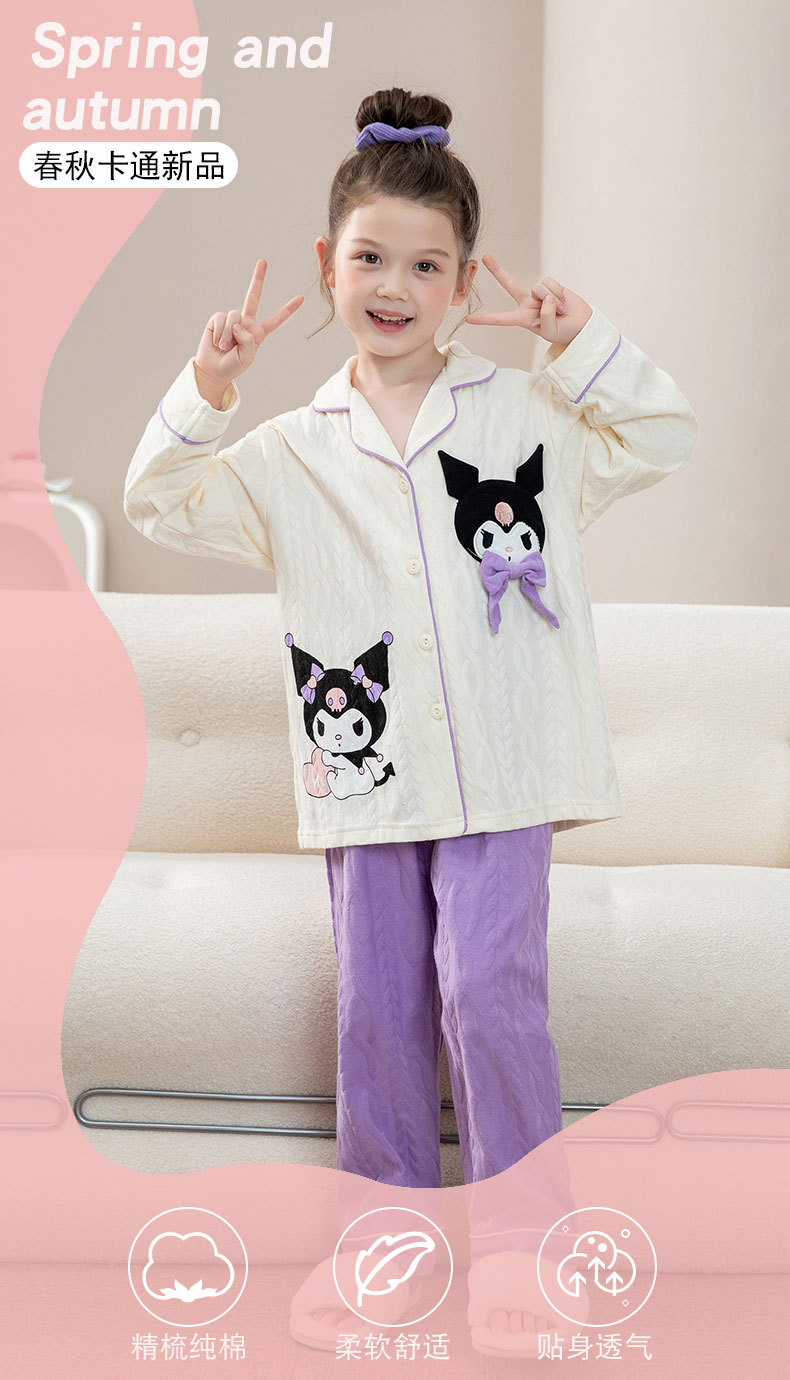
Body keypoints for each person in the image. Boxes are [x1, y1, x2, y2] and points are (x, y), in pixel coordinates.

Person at [124, 86, 698, 1349]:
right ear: (327, 264)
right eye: (371, 258)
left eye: (427, 265)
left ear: (464, 281)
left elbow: (665, 432)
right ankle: (388, 1253)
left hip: (504, 767)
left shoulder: (532, 418)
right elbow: (157, 497)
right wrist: (212, 382)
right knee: (378, 1015)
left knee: (489, 994)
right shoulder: (290, 451)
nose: (395, 286)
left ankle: (523, 1253)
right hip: (367, 775)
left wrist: (579, 343)